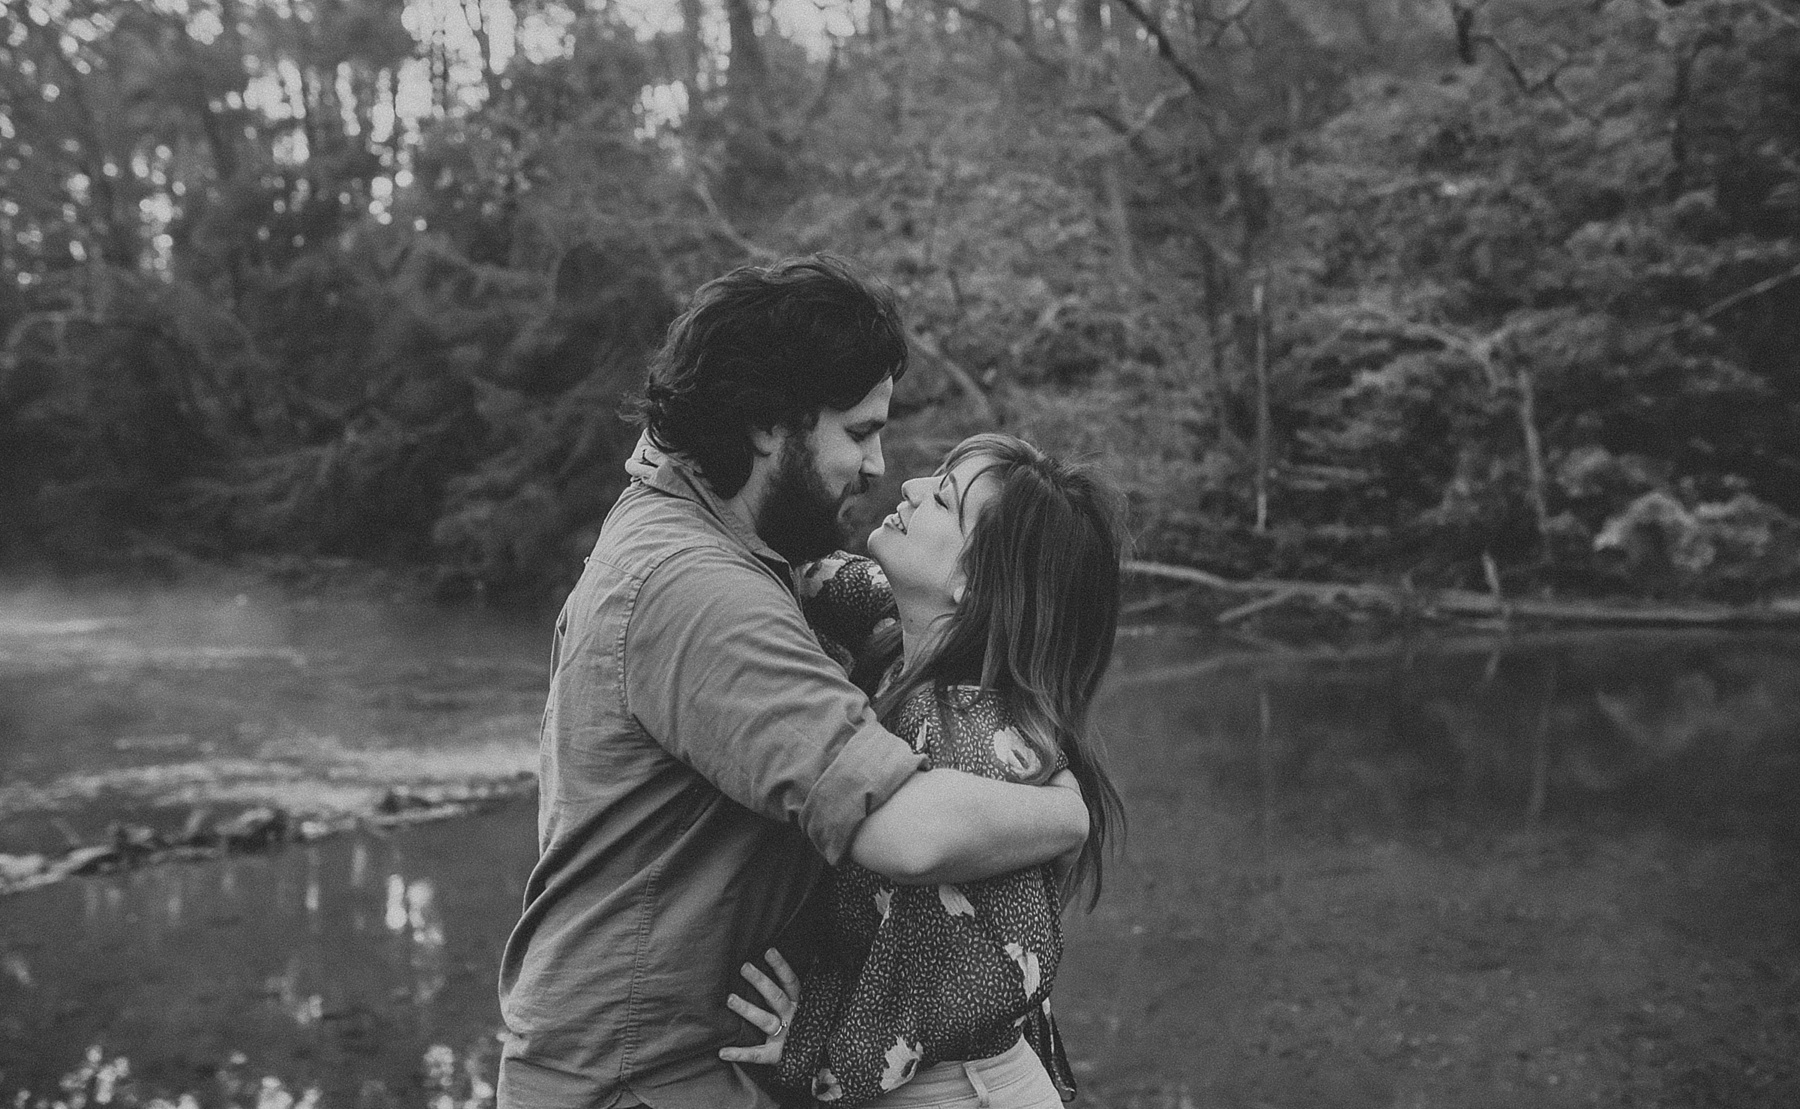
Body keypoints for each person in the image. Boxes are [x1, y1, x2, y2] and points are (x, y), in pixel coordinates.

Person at [496, 256, 1092, 1109]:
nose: (881, 466)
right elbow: (901, 828)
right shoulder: (701, 590)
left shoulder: (701, 538)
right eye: (857, 431)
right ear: (767, 423)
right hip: (644, 1078)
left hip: (684, 1063)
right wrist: (1068, 810)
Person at [718, 433, 1127, 1109]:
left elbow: (933, 989)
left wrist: (805, 1042)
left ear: (971, 581)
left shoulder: (969, 741)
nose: (909, 487)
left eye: (942, 498)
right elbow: (828, 576)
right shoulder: (905, 635)